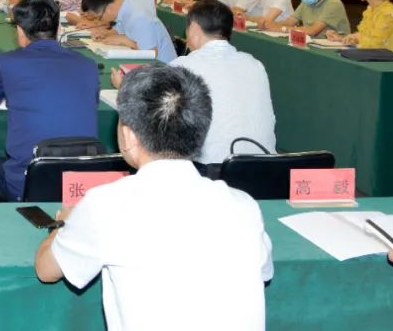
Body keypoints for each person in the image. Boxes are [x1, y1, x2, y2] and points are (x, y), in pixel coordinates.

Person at [35, 66, 273, 331]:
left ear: (128, 136)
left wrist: (63, 225)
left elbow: (46, 270)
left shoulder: (106, 205)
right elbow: (264, 273)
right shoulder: (243, 206)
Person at [0, 0, 99, 201]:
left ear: (20, 31)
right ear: (58, 28)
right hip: (81, 184)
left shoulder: (7, 62)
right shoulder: (88, 65)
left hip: (28, 183)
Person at [158, 0, 275, 166]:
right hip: (267, 167)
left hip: (213, 171)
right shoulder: (255, 64)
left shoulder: (182, 67)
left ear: (194, 29)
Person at [82, 0, 177, 63]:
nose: (99, 21)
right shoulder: (123, 9)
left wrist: (125, 40)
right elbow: (119, 30)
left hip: (164, 69)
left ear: (109, 9)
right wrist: (104, 34)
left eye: (99, 17)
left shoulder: (138, 16)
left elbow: (151, 53)